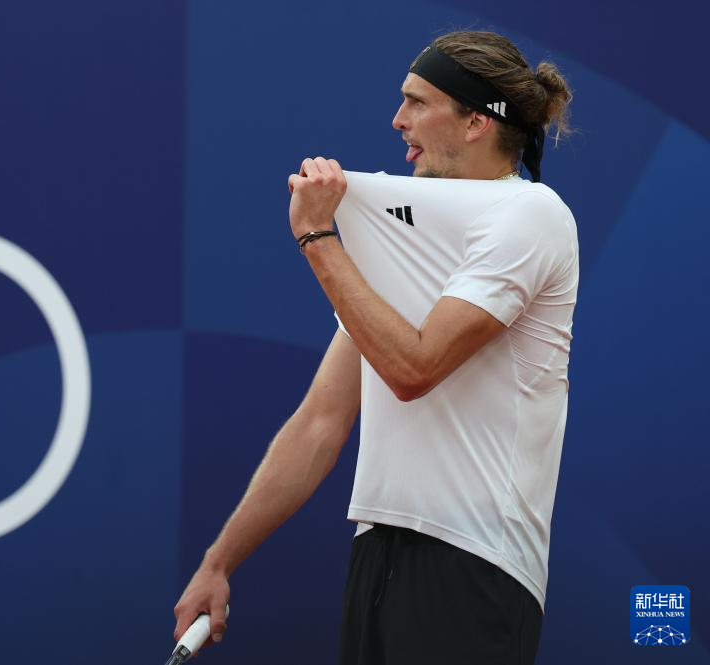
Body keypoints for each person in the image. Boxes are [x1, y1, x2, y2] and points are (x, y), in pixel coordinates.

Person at [173, 30, 577, 664]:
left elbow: (414, 369)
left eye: (417, 101)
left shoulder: (531, 215)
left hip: (476, 566)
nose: (397, 120)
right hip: (377, 556)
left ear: (476, 121)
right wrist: (219, 561)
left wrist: (318, 238)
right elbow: (320, 422)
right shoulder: (408, 244)